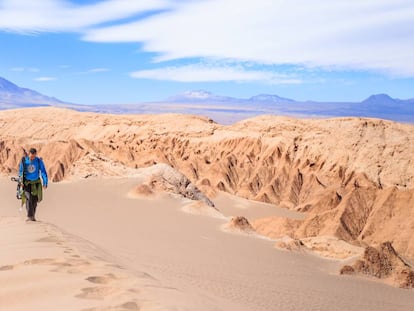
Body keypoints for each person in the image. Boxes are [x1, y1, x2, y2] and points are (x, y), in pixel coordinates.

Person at [18, 148, 48, 221]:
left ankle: (33, 216)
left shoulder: (38, 161)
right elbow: (20, 172)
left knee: (34, 200)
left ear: (36, 155)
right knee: (28, 198)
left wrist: (45, 182)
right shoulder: (24, 161)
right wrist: (21, 182)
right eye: (31, 157)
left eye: (34, 156)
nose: (32, 158)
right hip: (27, 183)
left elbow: (43, 172)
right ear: (29, 154)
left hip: (36, 183)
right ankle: (29, 216)